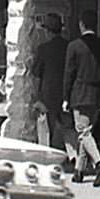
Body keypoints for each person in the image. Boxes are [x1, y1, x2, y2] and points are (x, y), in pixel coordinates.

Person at [61, 20, 100, 186]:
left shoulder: (74, 46)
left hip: (80, 94)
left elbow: (69, 73)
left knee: (83, 132)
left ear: (81, 25)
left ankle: (99, 165)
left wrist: (65, 97)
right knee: (87, 133)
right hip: (97, 94)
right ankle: (79, 171)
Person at [27, 12, 68, 152]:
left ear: (47, 31)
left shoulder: (43, 49)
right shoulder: (68, 47)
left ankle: (48, 155)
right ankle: (70, 154)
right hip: (66, 93)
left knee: (46, 130)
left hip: (48, 94)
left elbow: (36, 75)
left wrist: (37, 97)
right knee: (67, 130)